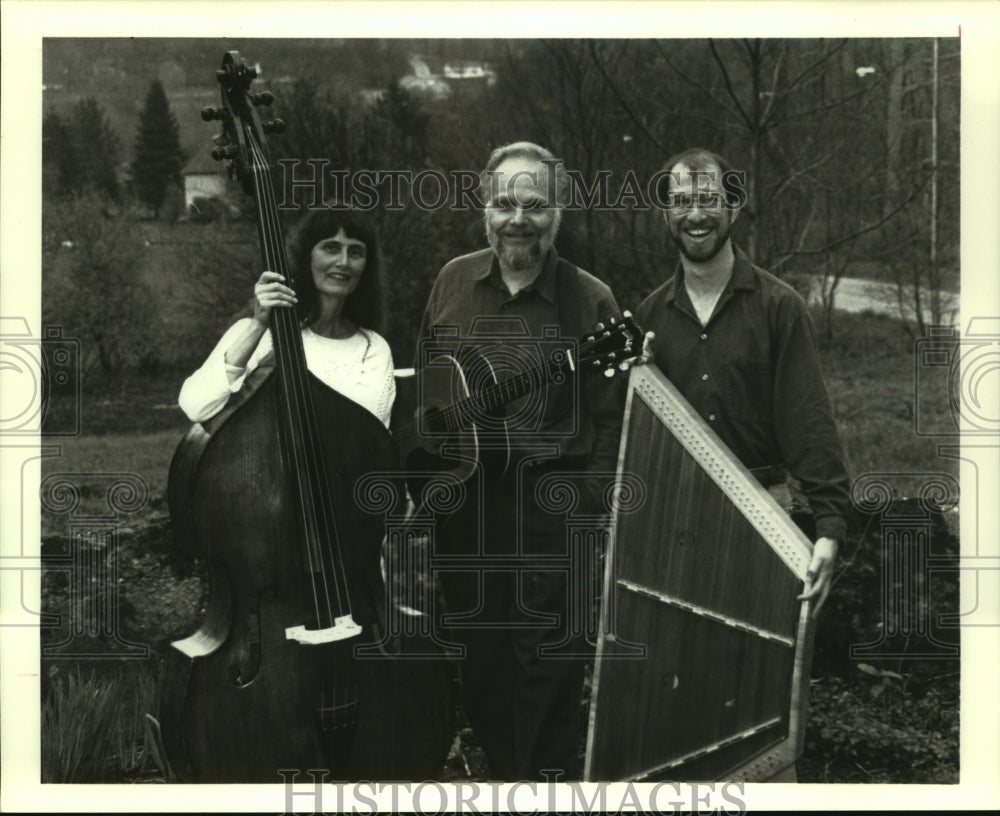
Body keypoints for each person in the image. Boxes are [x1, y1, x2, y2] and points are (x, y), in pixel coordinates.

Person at [177, 207, 451, 780]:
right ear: (305, 258)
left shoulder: (375, 349)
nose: (342, 261)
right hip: (270, 578)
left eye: (356, 251)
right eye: (330, 247)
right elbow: (197, 406)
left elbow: (369, 463)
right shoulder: (268, 335)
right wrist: (257, 321)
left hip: (351, 579)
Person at [414, 142, 625, 781]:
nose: (518, 219)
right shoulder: (453, 281)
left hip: (551, 505)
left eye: (534, 204)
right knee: (481, 659)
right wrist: (430, 479)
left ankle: (545, 787)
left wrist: (588, 504)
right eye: (505, 202)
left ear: (557, 211)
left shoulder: (590, 301)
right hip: (467, 508)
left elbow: (615, 418)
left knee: (549, 667)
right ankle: (507, 779)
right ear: (486, 206)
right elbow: (428, 386)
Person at [635, 147, 850, 616]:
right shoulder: (647, 319)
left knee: (760, 674)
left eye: (709, 198)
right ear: (665, 213)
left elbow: (808, 421)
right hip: (678, 523)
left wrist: (829, 528)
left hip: (766, 518)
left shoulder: (779, 307)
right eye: (681, 201)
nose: (695, 214)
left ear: (733, 206)